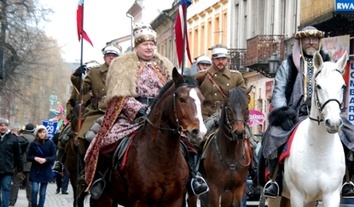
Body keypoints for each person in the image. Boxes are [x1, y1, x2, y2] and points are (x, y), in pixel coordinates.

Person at [84, 23, 208, 197]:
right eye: (145, 44)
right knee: (105, 142)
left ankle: (194, 177)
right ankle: (102, 179)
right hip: (131, 117)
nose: (149, 47)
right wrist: (139, 109)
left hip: (161, 116)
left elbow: (175, 93)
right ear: (136, 46)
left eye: (152, 44)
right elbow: (120, 96)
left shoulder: (164, 65)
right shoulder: (122, 65)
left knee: (190, 144)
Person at [260, 26, 354, 198]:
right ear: (301, 42)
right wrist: (283, 113)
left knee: (350, 134)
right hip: (295, 114)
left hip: (326, 114)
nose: (311, 42)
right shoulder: (288, 64)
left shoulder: (330, 64)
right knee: (273, 135)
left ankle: (348, 181)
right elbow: (279, 91)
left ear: (319, 42)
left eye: (314, 39)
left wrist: (334, 109)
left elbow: (337, 90)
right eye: (307, 39)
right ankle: (275, 180)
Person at [52, 42, 122, 173]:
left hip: (119, 111)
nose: (111, 58)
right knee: (82, 137)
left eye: (114, 55)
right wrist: (77, 78)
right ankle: (85, 167)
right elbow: (82, 89)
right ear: (104, 57)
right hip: (96, 112)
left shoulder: (123, 72)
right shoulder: (95, 72)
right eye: (108, 55)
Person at [196, 44, 249, 131]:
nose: (221, 62)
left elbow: (245, 96)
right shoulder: (201, 76)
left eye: (223, 59)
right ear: (212, 59)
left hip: (230, 118)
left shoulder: (236, 77)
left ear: (227, 60)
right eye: (217, 59)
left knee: (250, 141)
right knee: (198, 140)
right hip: (206, 116)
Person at [27, 125, 56, 207]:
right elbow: (29, 156)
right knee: (35, 190)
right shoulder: (33, 144)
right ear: (37, 133)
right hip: (36, 169)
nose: (42, 134)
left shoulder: (50, 143)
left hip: (46, 170)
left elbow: (54, 157)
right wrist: (35, 158)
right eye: (40, 132)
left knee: (42, 193)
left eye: (43, 132)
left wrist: (46, 160)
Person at [0, 118, 24, 207]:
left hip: (7, 169)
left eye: (4, 125)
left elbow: (18, 155)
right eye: (1, 125)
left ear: (7, 126)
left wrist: (20, 168)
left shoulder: (13, 138)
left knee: (6, 188)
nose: (3, 127)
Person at [10, 123, 35, 207]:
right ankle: (31, 202)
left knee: (16, 183)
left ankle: (12, 201)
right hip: (30, 165)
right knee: (29, 184)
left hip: (19, 164)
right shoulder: (35, 139)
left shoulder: (18, 138)